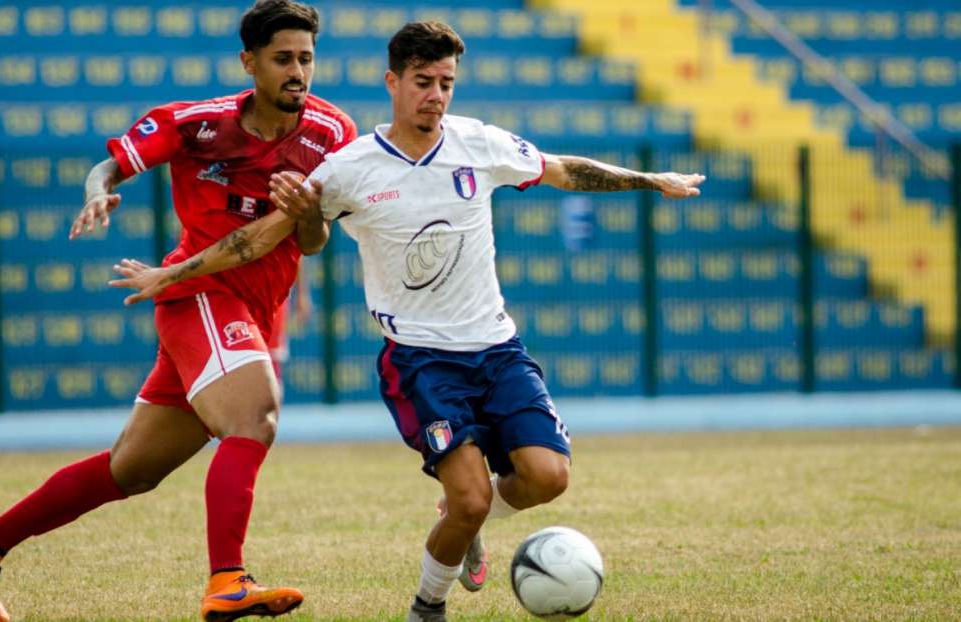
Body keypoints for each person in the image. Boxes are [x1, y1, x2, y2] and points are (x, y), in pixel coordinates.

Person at [109, 21, 705, 621]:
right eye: (424, 82)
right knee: (470, 497)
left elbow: (561, 168)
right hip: (421, 361)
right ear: (393, 81)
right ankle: (428, 606)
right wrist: (175, 275)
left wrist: (651, 181)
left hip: (498, 348)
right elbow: (264, 237)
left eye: (447, 83)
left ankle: (458, 517)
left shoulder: (479, 144)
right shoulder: (350, 168)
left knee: (549, 478)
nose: (437, 96)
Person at [0, 2, 356, 621]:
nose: (298, 72)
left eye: (306, 58)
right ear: (250, 63)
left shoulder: (333, 134)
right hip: (199, 298)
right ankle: (227, 581)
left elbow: (314, 242)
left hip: (246, 307)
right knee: (255, 416)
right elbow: (111, 164)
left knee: (130, 471)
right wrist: (96, 191)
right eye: (283, 59)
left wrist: (307, 215)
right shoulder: (199, 124)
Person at [269, 263, 311, 402]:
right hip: (240, 294)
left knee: (272, 360)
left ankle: (270, 416)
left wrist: (302, 295)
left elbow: (297, 252)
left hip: (275, 294)